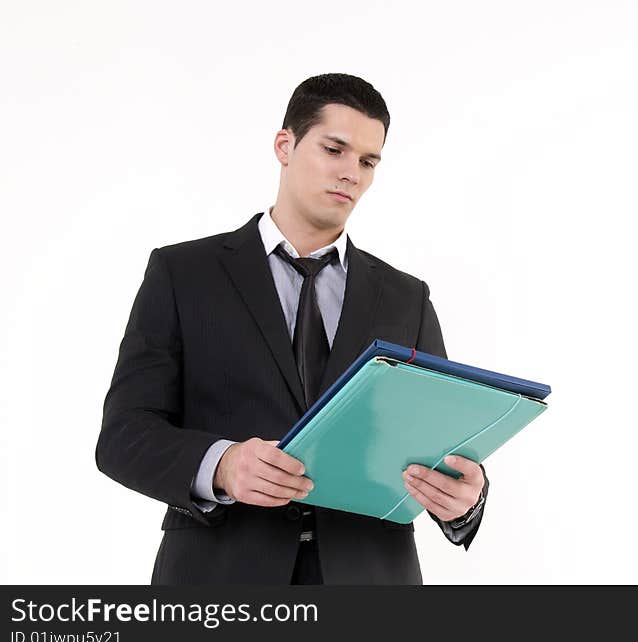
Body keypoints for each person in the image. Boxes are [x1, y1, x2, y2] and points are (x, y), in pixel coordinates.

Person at [95, 73, 489, 584]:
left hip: (371, 576)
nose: (352, 173)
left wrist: (464, 499)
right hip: (220, 579)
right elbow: (124, 435)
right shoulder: (183, 274)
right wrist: (222, 465)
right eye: (335, 149)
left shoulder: (406, 297)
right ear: (285, 145)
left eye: (368, 161)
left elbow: (437, 441)